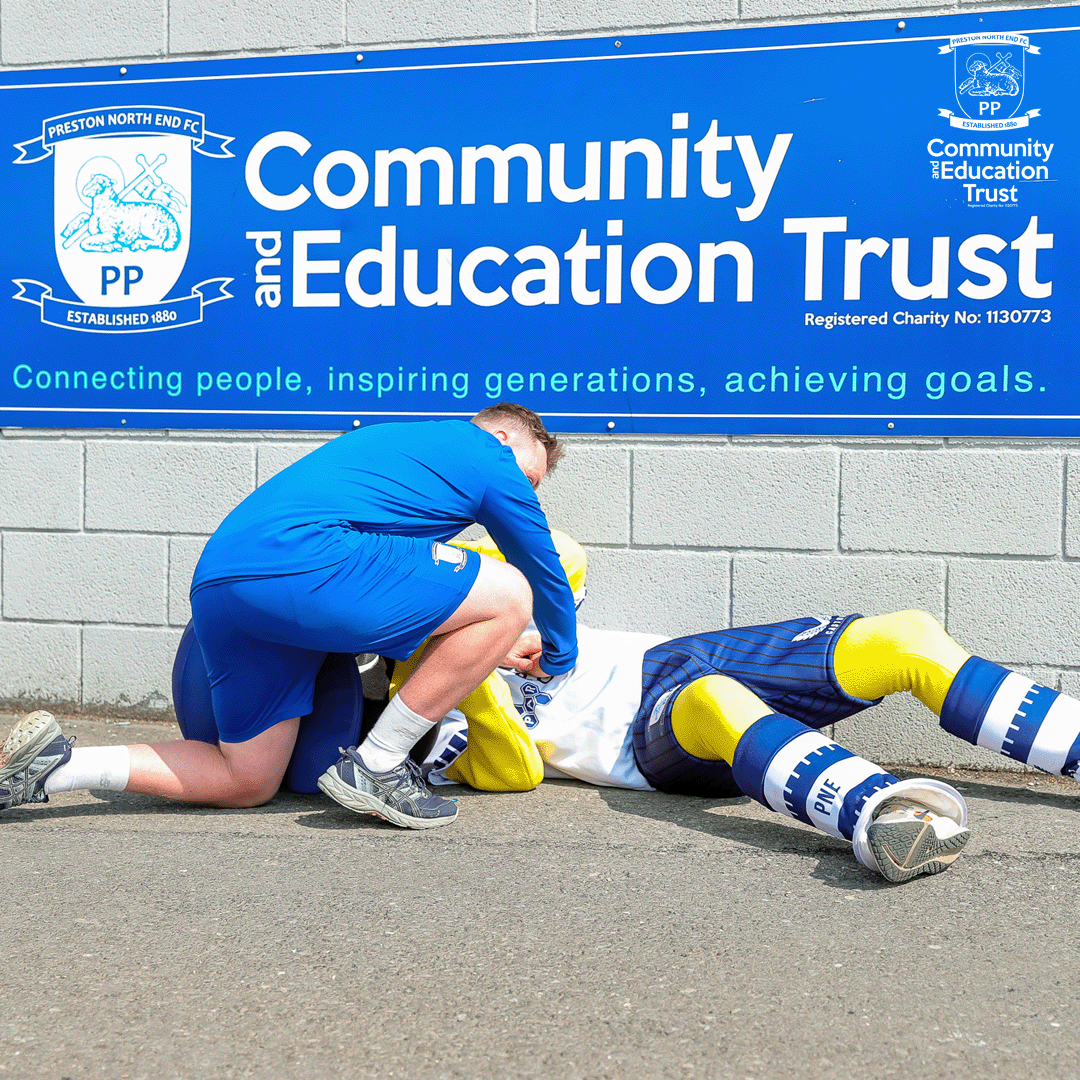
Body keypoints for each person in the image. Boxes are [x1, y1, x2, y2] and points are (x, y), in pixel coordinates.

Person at [0, 404, 578, 830]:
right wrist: (559, 655)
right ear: (505, 436)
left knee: (246, 779)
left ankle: (55, 769)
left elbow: (377, 595)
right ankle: (378, 765)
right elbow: (542, 564)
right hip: (304, 561)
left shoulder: (398, 452)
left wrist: (486, 645)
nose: (527, 494)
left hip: (227, 586)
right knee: (512, 591)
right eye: (531, 479)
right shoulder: (482, 453)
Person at [386, 534, 1080, 883]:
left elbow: (565, 554)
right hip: (649, 740)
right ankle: (881, 817)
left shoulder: (535, 616)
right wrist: (473, 670)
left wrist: (499, 600)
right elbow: (511, 774)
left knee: (906, 636)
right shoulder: (429, 710)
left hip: (672, 658)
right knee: (715, 700)